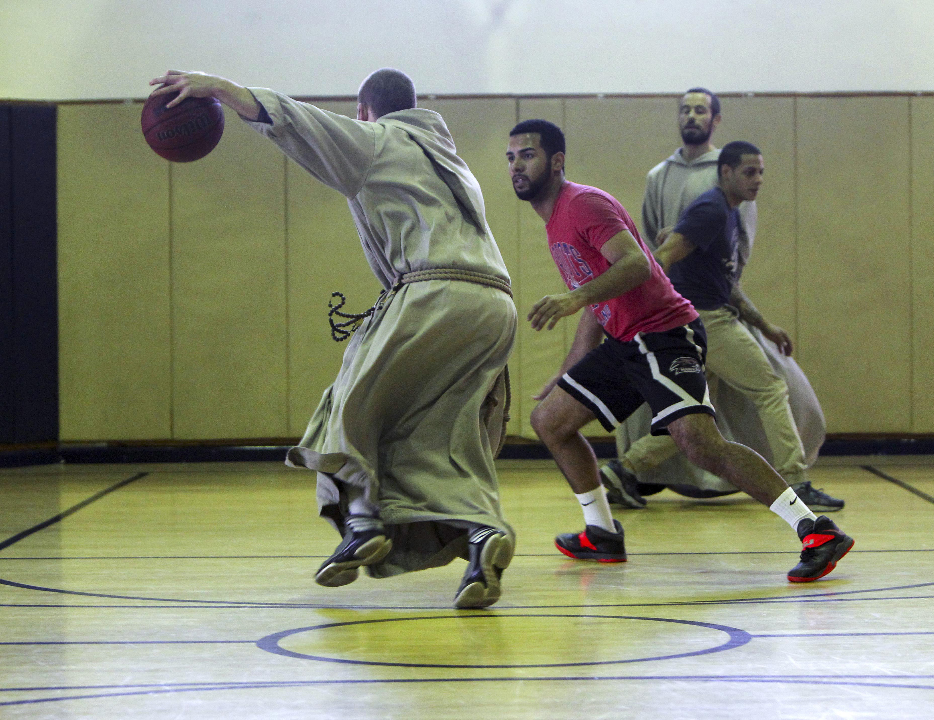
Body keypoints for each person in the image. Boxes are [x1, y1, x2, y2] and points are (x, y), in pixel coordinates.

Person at [149, 68, 516, 609]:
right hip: (493, 304)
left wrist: (222, 89)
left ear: (365, 111)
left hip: (435, 291)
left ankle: (365, 523)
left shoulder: (381, 139)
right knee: (441, 435)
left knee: (345, 405)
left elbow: (298, 122)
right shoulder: (450, 159)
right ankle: (483, 534)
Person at [506, 119, 853, 582]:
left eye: (526, 155)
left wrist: (573, 299)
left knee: (700, 445)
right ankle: (602, 532)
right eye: (510, 158)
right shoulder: (555, 222)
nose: (516, 166)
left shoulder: (583, 204)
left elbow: (635, 264)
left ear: (556, 161)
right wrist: (571, 368)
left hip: (665, 333)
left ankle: (816, 530)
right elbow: (596, 300)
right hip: (628, 341)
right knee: (550, 420)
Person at [604, 88, 842, 512]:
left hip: (700, 319)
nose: (758, 181)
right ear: (726, 171)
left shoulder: (725, 213)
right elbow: (661, 258)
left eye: (761, 173)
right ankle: (796, 481)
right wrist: (645, 308)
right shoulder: (711, 210)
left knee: (698, 416)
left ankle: (624, 469)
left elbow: (722, 277)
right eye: (750, 173)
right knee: (771, 387)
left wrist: (764, 324)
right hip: (707, 322)